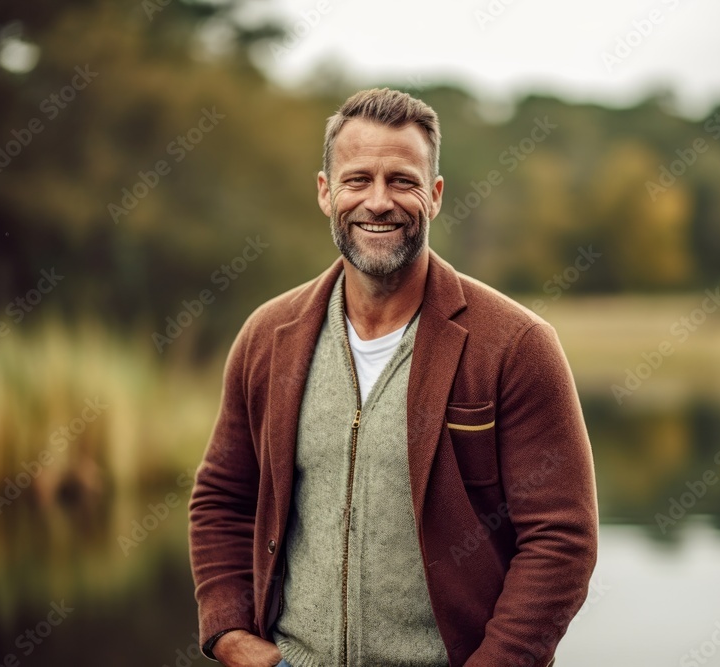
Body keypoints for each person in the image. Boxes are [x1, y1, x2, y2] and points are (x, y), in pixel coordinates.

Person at [188, 88, 598, 667]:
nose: (378, 202)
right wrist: (230, 634)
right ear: (326, 192)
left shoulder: (516, 345)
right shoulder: (267, 336)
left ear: (434, 195)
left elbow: (561, 540)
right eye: (357, 180)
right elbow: (222, 498)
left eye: (402, 181)